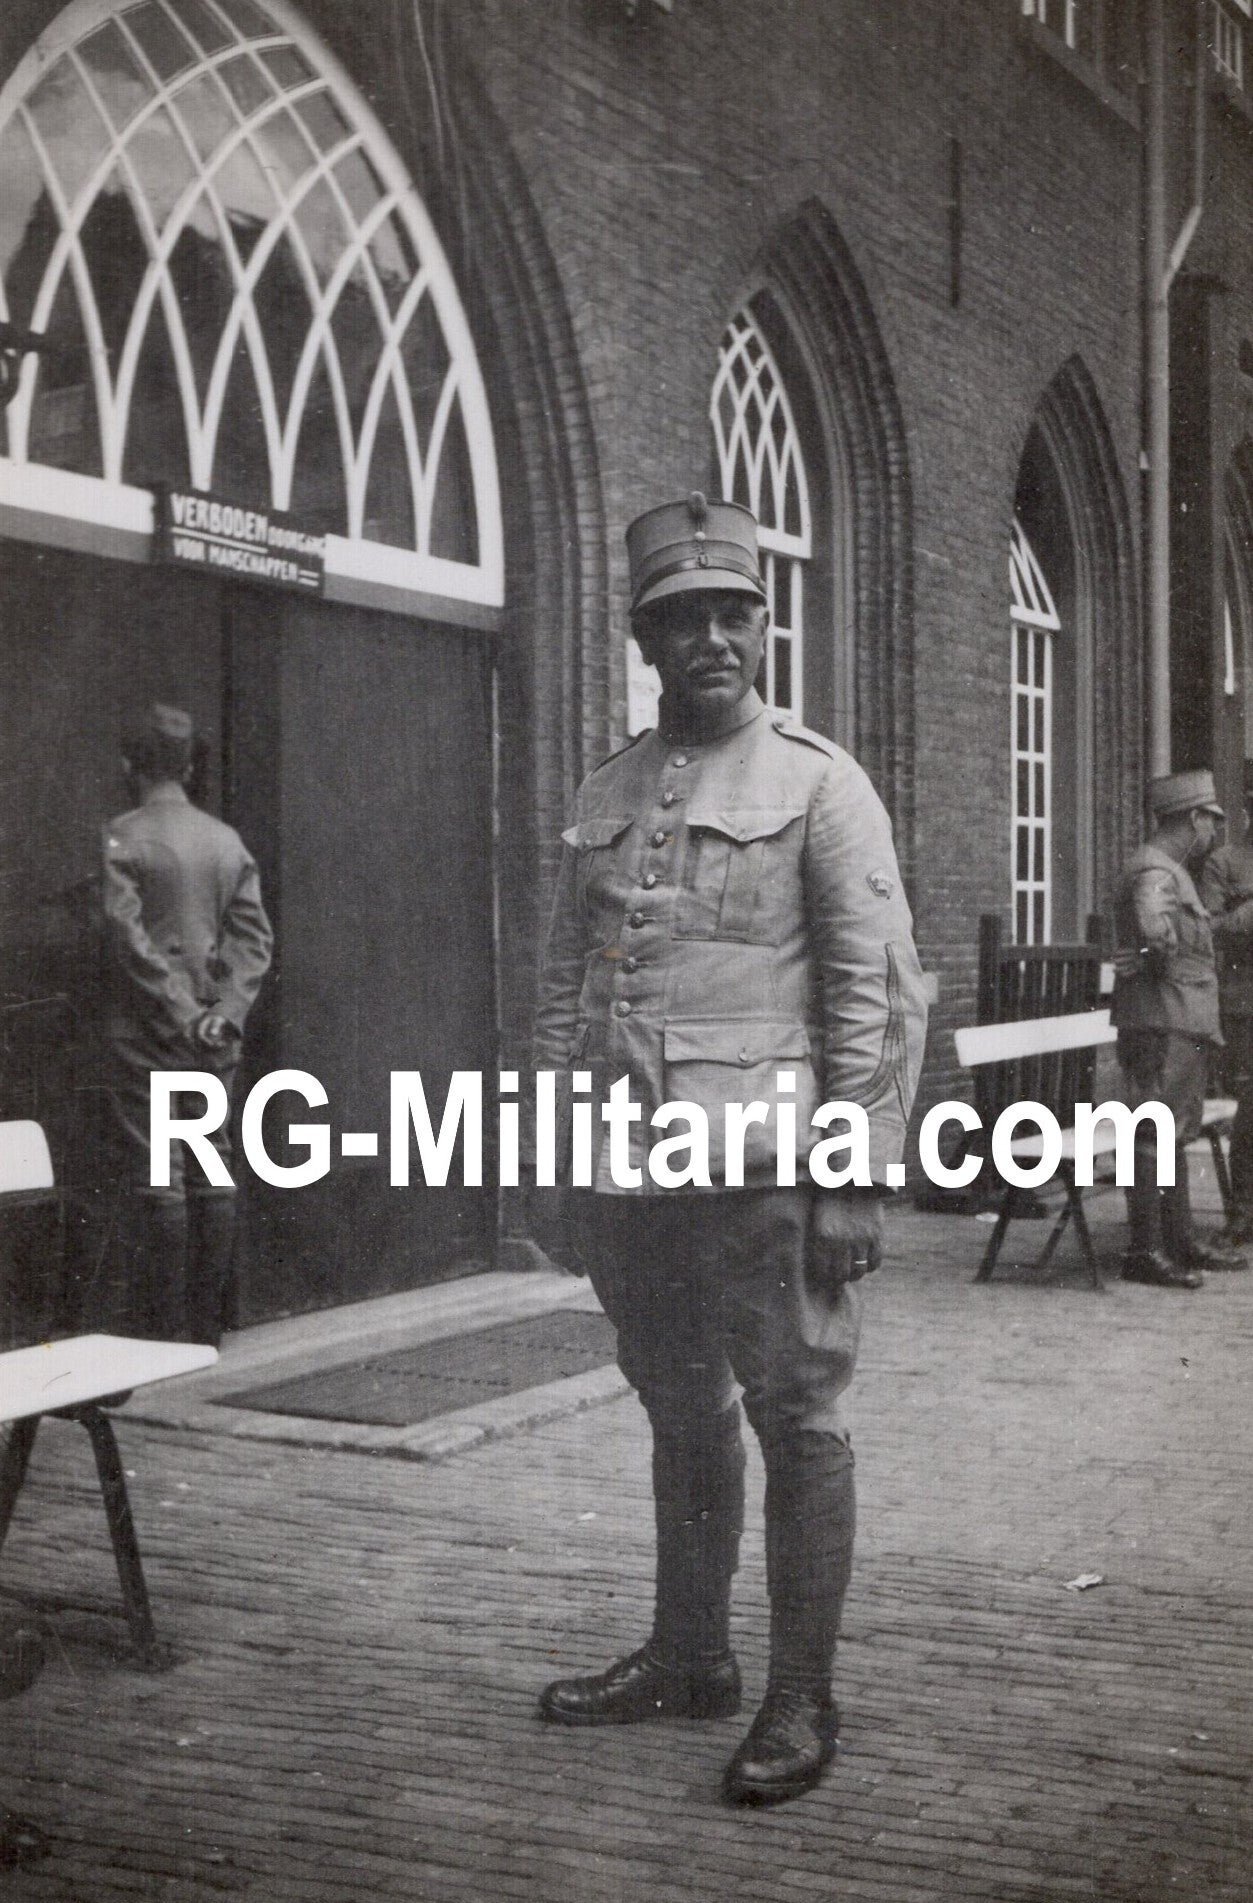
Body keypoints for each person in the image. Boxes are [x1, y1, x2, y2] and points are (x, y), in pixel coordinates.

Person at [529, 493, 928, 1806]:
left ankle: (801, 1694)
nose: (709, 634)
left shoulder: (819, 782)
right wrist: (551, 1140)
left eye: (731, 610)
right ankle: (688, 1653)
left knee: (796, 1413)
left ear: (763, 622)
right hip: (633, 1171)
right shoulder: (604, 790)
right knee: (675, 1400)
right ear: (644, 638)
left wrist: (858, 1168)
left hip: (767, 1169)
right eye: (679, 616)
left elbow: (878, 995)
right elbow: (560, 988)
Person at [95, 704, 272, 1344]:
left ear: (127, 766)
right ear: (191, 767)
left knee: (158, 1171)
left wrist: (177, 1011)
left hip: (146, 1035)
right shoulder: (227, 841)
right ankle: (205, 1331)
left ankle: (160, 1335)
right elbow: (254, 942)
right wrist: (221, 1014)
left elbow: (126, 935)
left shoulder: (121, 836)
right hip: (210, 1040)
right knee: (212, 1162)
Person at [1111, 768, 1245, 1289]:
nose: (1214, 833)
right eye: (1211, 821)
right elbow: (1150, 929)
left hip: (1175, 1021)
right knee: (1153, 1131)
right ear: (1193, 818)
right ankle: (1146, 1250)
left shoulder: (1168, 869)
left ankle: (1178, 1241)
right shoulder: (1157, 871)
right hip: (1162, 1021)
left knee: (1174, 1131)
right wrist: (1148, 955)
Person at [1198, 758, 1253, 1248]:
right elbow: (1207, 928)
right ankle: (1243, 1212)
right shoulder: (1225, 862)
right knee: (1250, 1107)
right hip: (1245, 1004)